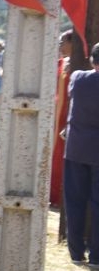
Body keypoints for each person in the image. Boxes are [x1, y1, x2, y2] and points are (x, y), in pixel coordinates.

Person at [63, 43, 99, 267]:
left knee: (75, 201)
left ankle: (76, 253)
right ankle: (97, 256)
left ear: (92, 60)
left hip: (76, 148)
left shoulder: (78, 78)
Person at [52, 30, 89, 208]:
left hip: (69, 113)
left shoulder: (78, 66)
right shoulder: (60, 63)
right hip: (57, 112)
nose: (60, 45)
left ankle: (60, 195)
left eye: (63, 42)